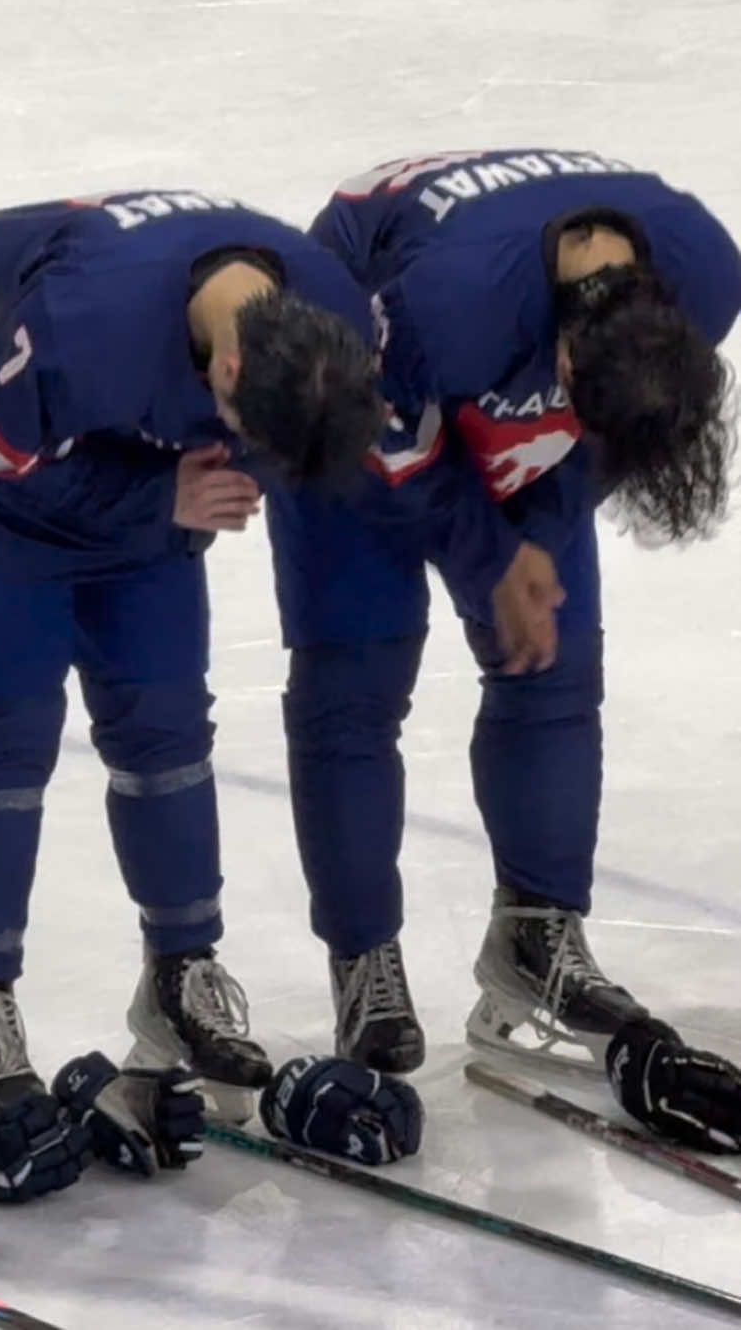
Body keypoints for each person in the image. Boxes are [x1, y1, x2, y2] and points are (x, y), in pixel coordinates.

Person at [0, 187, 384, 1176]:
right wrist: (160, 494)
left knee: (163, 722)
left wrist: (178, 490)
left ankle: (182, 972)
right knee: (3, 738)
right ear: (231, 366)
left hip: (142, 463)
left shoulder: (327, 313)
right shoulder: (84, 325)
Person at [267, 148, 739, 1073]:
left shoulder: (710, 274)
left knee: (552, 658)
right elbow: (385, 446)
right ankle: (365, 958)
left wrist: (540, 529)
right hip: (357, 377)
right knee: (357, 675)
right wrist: (493, 553)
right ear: (561, 359)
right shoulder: (446, 308)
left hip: (492, 345)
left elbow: (615, 444)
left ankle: (534, 938)